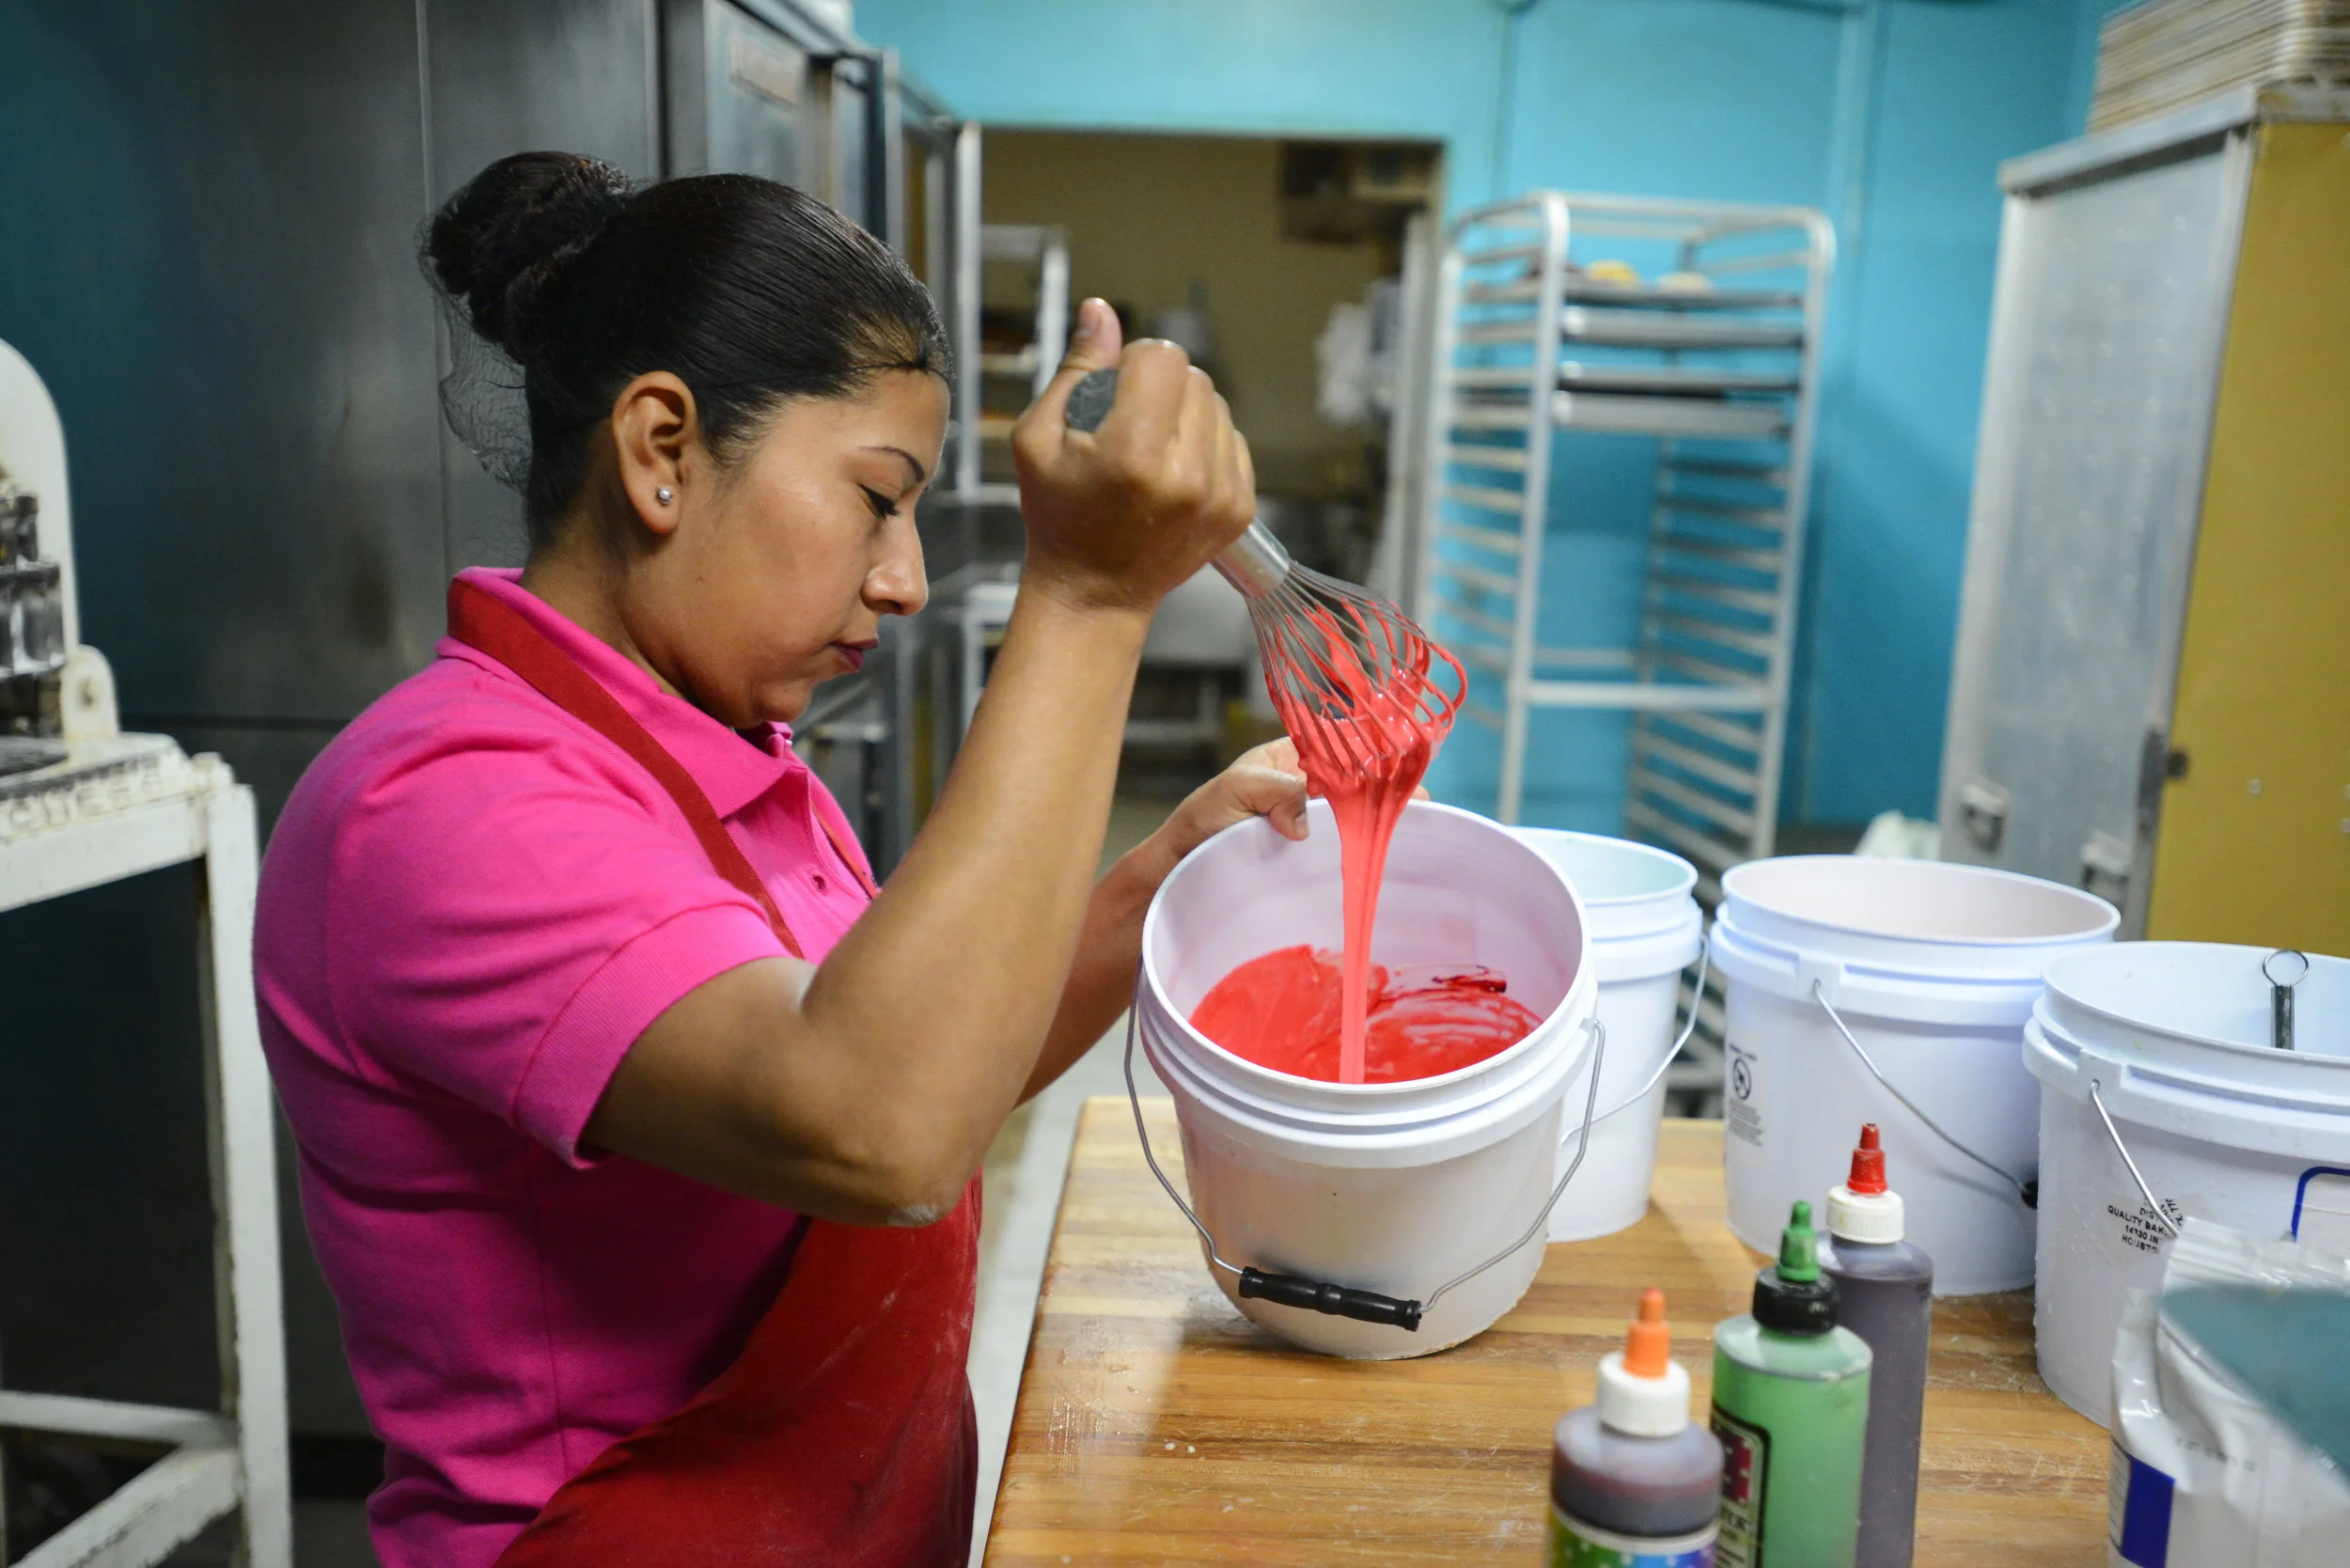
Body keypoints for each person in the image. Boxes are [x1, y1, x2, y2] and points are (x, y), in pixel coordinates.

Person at [253, 150, 1304, 1567]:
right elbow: (879, 1124)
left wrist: (1174, 860)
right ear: (663, 451)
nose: (906, 577)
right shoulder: (444, 807)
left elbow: (938, 1049)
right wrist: (1091, 595)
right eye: (880, 498)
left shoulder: (726, 756)